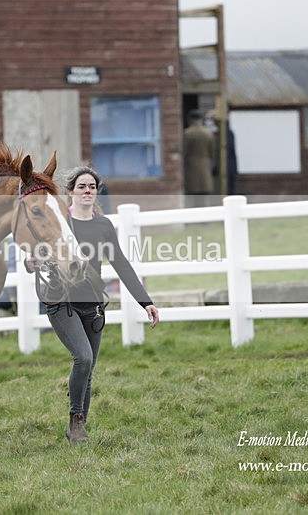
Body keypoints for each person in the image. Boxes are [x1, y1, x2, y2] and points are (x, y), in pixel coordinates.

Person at [28, 166, 159, 445]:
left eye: (92, 186)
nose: (87, 191)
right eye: (82, 186)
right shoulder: (61, 221)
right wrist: (34, 261)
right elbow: (32, 258)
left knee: (87, 371)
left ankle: (79, 427)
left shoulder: (103, 226)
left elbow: (121, 265)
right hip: (63, 303)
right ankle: (76, 421)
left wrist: (145, 302)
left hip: (94, 306)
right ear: (70, 192)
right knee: (83, 359)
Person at [182, 109, 215, 206]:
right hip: (205, 167)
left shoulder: (187, 133)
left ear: (190, 120)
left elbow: (184, 151)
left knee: (192, 197)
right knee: (204, 197)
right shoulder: (208, 133)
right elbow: (212, 151)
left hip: (191, 167)